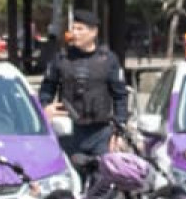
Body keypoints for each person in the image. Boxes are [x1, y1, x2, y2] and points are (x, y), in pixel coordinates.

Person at [37, 9, 131, 162]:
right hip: (70, 132)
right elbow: (47, 89)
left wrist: (119, 133)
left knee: (104, 178)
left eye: (80, 29)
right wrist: (45, 107)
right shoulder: (61, 58)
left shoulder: (108, 60)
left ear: (93, 32)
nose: (75, 33)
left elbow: (120, 96)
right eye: (73, 28)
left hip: (101, 133)